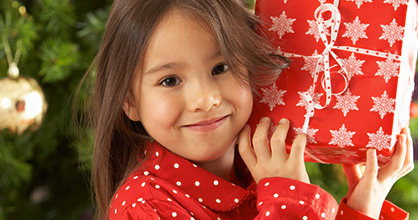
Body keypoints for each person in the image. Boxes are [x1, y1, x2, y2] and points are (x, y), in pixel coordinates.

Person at [83, 0, 414, 219]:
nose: (206, 99)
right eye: (170, 81)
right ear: (129, 100)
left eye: (220, 68)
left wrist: (362, 207)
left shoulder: (261, 172)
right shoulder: (144, 207)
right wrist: (287, 202)